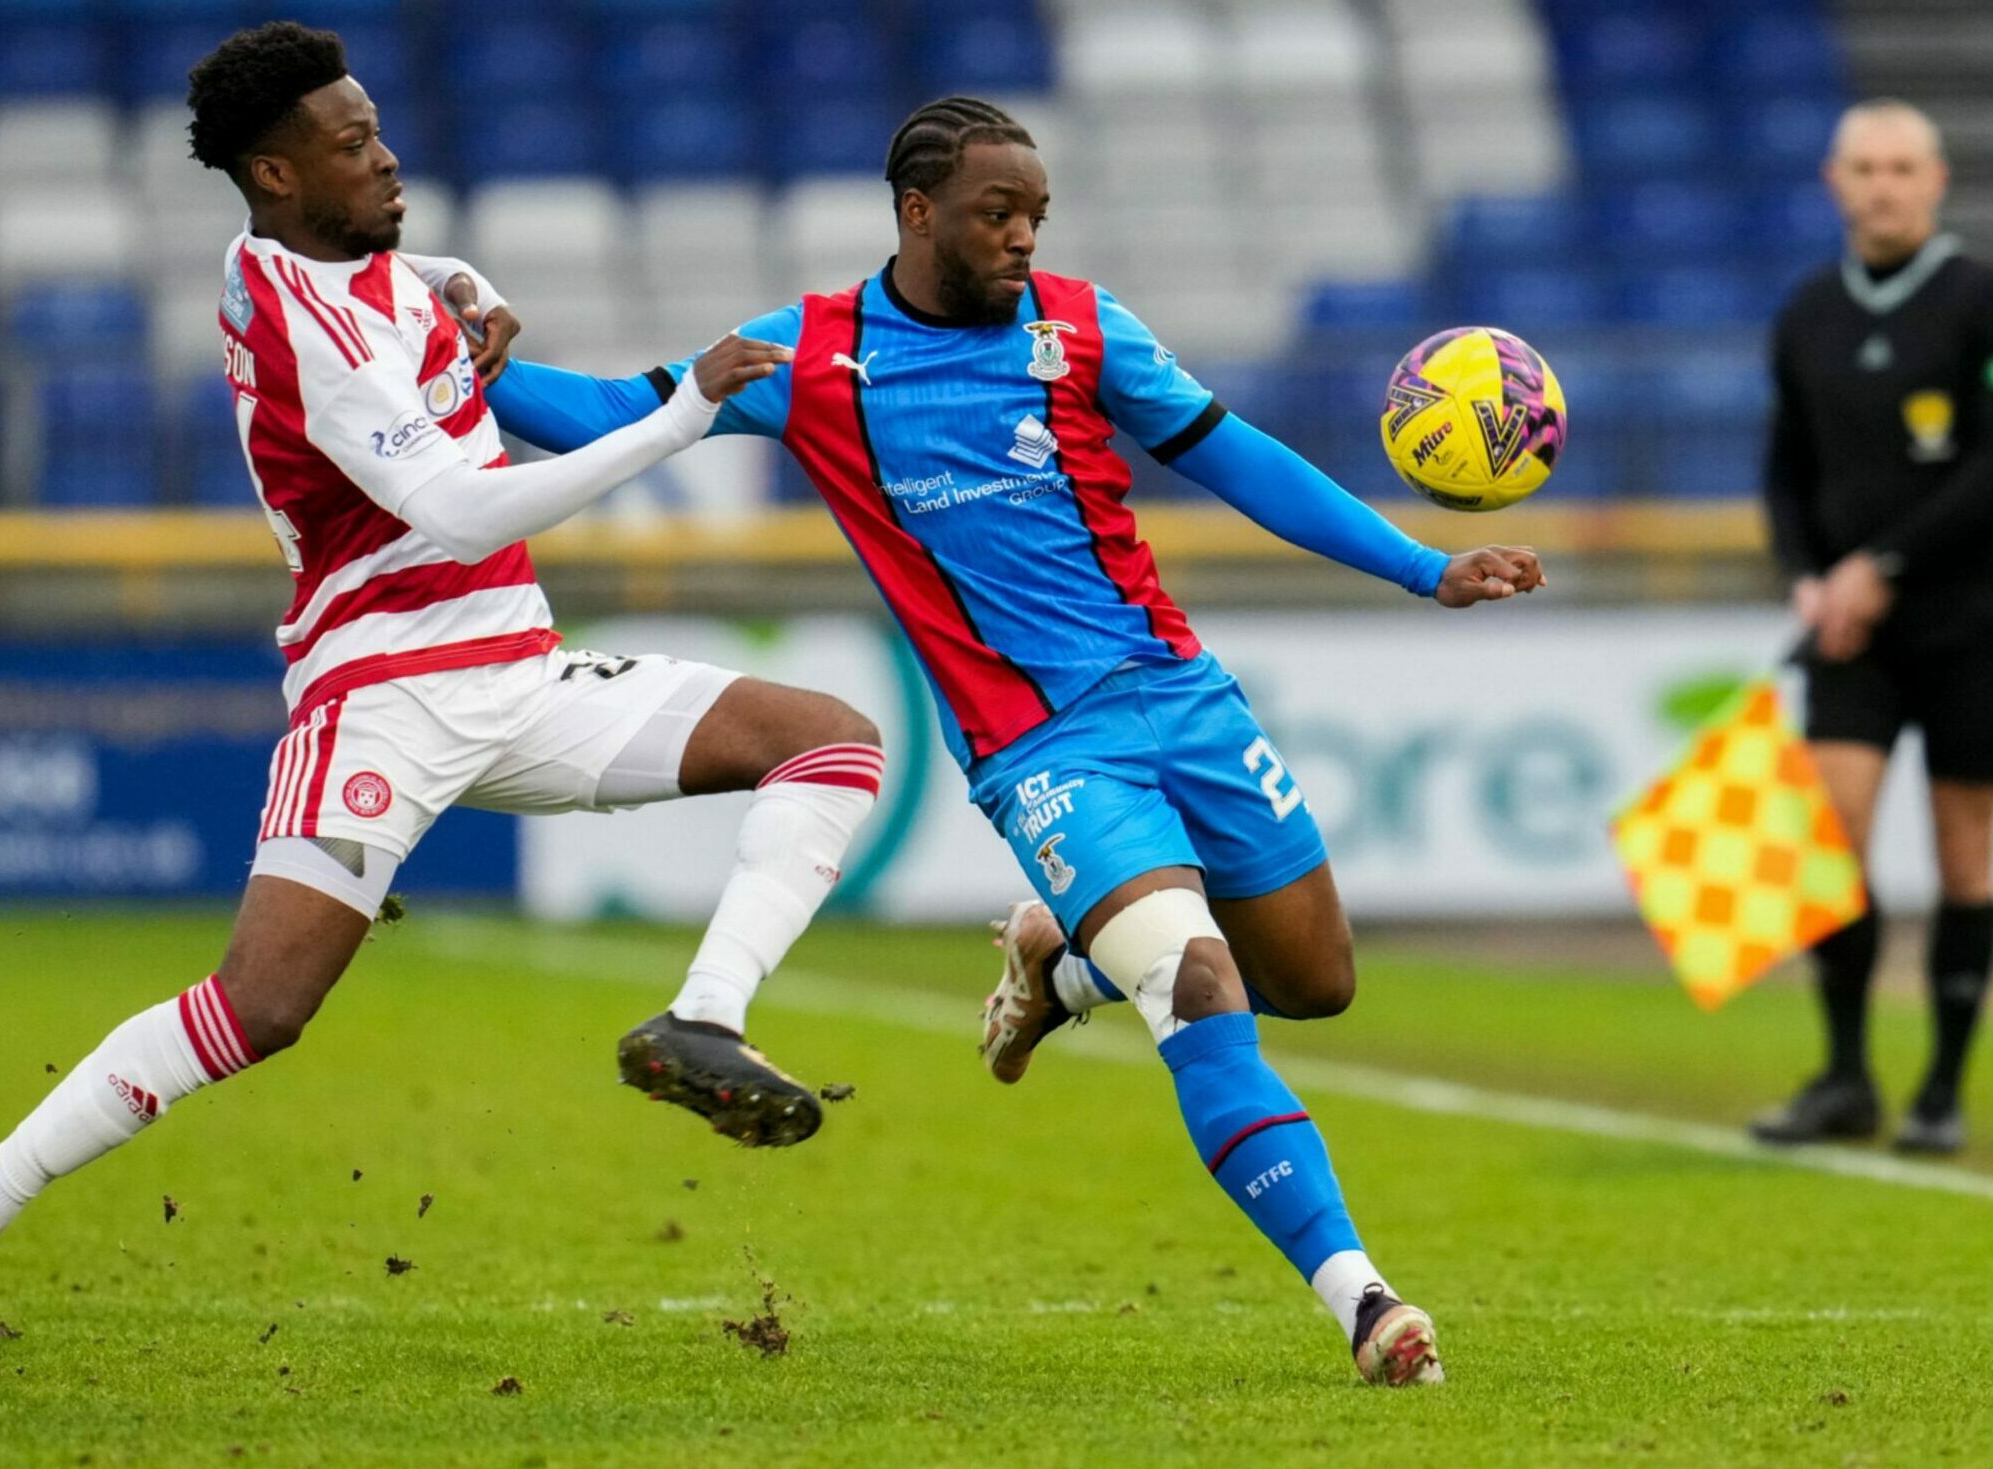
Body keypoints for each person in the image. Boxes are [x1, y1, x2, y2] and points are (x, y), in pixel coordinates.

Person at [0, 24, 887, 1378]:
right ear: (277, 173)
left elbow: (403, 280)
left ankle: (703, 1019)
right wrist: (680, 413)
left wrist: (461, 279)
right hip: (380, 696)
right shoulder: (307, 326)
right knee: (260, 1009)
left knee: (826, 743)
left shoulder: (343, 259)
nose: (385, 151)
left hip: (517, 671)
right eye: (351, 142)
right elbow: (459, 508)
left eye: (376, 124)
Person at [480, 96, 1549, 1386]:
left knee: (1316, 977)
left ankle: (1061, 965)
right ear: (917, 212)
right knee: (1201, 993)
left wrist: (1422, 566)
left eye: (1037, 215)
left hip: (1185, 696)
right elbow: (614, 413)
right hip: (1045, 749)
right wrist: (476, 369)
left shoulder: (1086, 329)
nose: (1025, 238)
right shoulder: (813, 358)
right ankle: (1367, 1301)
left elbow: (1241, 460)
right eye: (999, 214)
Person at [1751, 99, 1993, 1156]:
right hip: (1849, 634)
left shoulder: (1988, 300)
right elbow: (1785, 469)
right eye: (1865, 167)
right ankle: (1844, 1075)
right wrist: (1806, 577)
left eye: (1902, 167)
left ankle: (1942, 1090)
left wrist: (1880, 566)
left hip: (1970, 618)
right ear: (1835, 181)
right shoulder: (1808, 310)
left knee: (1966, 860)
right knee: (1829, 845)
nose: (1884, 184)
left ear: (1937, 180)